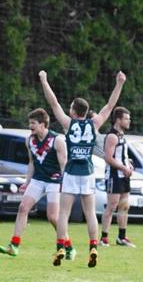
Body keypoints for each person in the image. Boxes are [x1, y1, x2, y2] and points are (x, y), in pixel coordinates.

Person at [40, 70, 126, 268]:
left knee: (63, 214)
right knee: (90, 214)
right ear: (86, 112)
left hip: (70, 172)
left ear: (72, 111)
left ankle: (61, 246)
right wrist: (119, 83)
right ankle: (93, 247)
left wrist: (44, 80)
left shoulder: (68, 124)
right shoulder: (94, 123)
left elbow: (53, 103)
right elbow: (110, 105)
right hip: (87, 172)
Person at [0, 109, 72, 258]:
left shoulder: (57, 140)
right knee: (23, 208)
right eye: (29, 123)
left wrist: (65, 184)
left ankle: (68, 246)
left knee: (52, 216)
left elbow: (64, 164)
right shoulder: (29, 140)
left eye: (33, 123)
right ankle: (14, 245)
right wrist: (27, 182)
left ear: (43, 124)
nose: (30, 126)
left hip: (54, 181)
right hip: (38, 180)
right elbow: (32, 162)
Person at [100, 107, 135, 248]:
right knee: (112, 206)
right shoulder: (112, 136)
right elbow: (108, 158)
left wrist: (129, 165)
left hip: (124, 175)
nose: (129, 121)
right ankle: (104, 238)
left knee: (124, 206)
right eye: (126, 118)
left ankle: (122, 237)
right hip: (114, 176)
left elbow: (122, 156)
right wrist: (123, 168)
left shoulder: (122, 136)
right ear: (118, 120)